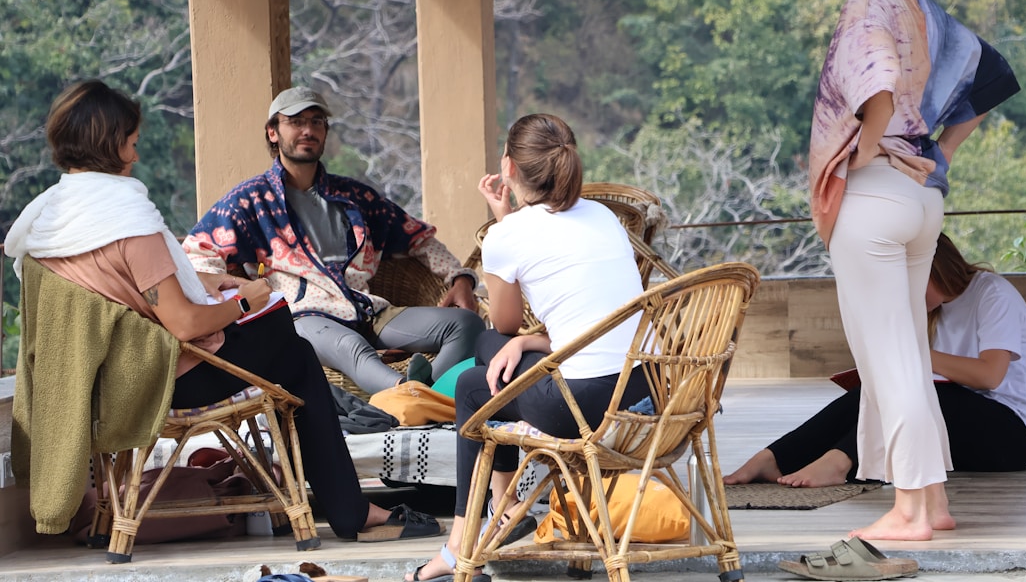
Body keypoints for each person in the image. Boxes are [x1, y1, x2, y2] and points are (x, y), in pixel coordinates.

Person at [4, 79, 441, 543]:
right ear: (111, 143)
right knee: (294, 352)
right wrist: (243, 302)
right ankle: (353, 512)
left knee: (285, 344)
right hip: (162, 382)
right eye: (132, 140)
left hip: (101, 384)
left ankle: (343, 503)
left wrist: (206, 282)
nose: (136, 152)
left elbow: (123, 281)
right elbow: (184, 323)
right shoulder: (126, 220)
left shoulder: (50, 221)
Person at [807, 0, 1019, 541]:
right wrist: (939, 153)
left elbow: (875, 88)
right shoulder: (921, 8)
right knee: (907, 353)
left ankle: (908, 509)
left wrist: (869, 149)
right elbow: (991, 74)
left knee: (890, 357)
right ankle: (932, 502)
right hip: (921, 199)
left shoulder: (865, 7)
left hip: (874, 197)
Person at [405, 113, 653, 582]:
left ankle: (463, 543)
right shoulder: (604, 216)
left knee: (477, 379)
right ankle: (503, 503)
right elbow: (588, 320)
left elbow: (505, 322)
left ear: (509, 167)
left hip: (583, 407)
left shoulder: (507, 237)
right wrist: (526, 341)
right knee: (496, 353)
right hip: (646, 393)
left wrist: (505, 229)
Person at [183, 86, 485, 395]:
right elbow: (196, 253)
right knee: (352, 346)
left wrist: (460, 278)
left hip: (367, 310)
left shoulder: (355, 197)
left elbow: (418, 238)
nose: (308, 130)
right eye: (296, 121)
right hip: (304, 316)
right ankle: (414, 395)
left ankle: (424, 396)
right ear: (273, 132)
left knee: (465, 324)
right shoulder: (250, 202)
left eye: (316, 121)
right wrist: (238, 293)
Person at [725, 233, 1026, 488]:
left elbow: (990, 376)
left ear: (935, 268)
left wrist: (919, 356)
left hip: (1015, 437)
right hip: (959, 425)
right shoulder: (931, 311)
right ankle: (774, 459)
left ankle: (840, 463)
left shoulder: (993, 294)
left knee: (932, 396)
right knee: (868, 395)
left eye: (911, 283)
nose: (906, 293)